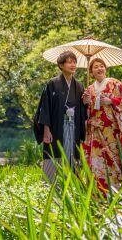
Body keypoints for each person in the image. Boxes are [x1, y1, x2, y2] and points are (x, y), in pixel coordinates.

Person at [82, 57, 122, 194]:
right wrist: (85, 102)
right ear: (91, 71)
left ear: (105, 68)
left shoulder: (114, 83)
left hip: (112, 130)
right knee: (97, 160)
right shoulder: (89, 89)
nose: (99, 69)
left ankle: (118, 190)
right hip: (96, 130)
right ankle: (98, 192)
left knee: (114, 158)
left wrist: (111, 100)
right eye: (95, 67)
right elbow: (87, 112)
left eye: (101, 66)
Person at [34, 50, 87, 184]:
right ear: (61, 65)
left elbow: (84, 110)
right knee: (54, 153)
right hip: (57, 127)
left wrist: (87, 100)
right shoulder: (52, 83)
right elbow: (45, 107)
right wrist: (46, 129)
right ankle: (50, 185)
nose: (73, 64)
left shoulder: (80, 85)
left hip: (74, 126)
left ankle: (72, 186)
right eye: (69, 62)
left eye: (74, 62)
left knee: (72, 155)